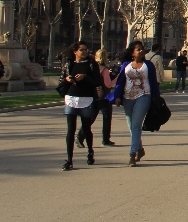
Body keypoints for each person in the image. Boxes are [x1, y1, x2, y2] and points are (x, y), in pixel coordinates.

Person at [110, 41, 160, 167]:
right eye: (138, 49)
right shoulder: (126, 65)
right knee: (131, 126)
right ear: (132, 52)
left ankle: (132, 153)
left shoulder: (148, 65)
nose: (141, 51)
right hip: (127, 97)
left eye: (142, 49)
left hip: (144, 96)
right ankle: (140, 149)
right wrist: (116, 96)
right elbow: (120, 82)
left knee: (136, 125)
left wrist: (156, 98)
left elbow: (154, 82)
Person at [60, 42, 101, 171]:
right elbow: (61, 80)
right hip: (71, 98)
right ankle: (69, 160)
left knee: (86, 128)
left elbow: (97, 82)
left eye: (86, 49)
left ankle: (90, 152)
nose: (84, 52)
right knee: (70, 130)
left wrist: (85, 77)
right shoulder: (69, 64)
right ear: (75, 52)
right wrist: (68, 80)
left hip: (86, 99)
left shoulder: (91, 64)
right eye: (81, 50)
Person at [78, 50, 118, 148]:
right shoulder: (104, 70)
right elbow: (108, 84)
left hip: (94, 95)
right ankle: (105, 139)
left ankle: (80, 137)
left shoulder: (93, 68)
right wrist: (117, 77)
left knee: (91, 118)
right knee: (107, 118)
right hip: (104, 96)